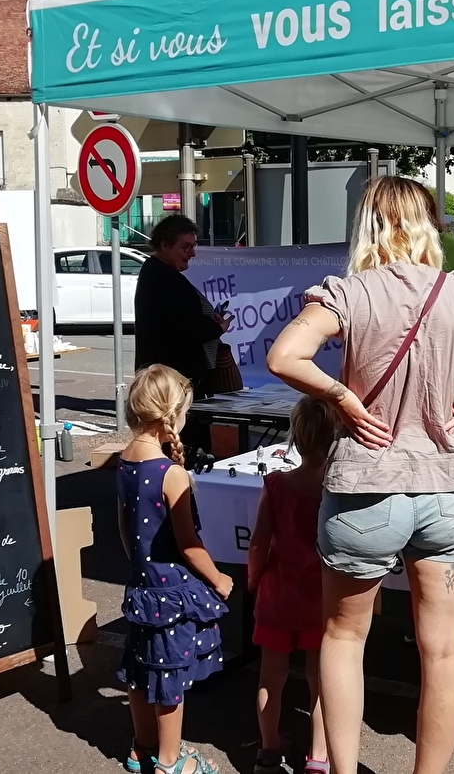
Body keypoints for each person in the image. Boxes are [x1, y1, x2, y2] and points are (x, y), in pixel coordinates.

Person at [266, 176, 454, 774]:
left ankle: (343, 769)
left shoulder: (347, 294)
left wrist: (342, 400)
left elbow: (283, 357)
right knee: (442, 650)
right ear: (428, 226)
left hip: (365, 493)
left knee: (344, 640)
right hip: (447, 492)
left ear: (369, 226)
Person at [115, 365, 234, 774]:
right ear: (173, 414)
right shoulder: (171, 473)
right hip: (170, 593)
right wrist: (219, 580)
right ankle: (170, 761)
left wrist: (138, 567)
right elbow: (189, 544)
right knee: (170, 677)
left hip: (143, 587)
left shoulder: (126, 460)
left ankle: (141, 748)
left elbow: (123, 526)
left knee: (139, 669)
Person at [247, 397, 340, 774]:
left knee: (271, 676)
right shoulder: (335, 489)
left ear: (295, 440)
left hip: (277, 593)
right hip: (321, 598)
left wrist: (254, 580)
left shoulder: (276, 485)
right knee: (322, 681)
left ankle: (269, 748)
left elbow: (258, 542)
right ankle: (318, 756)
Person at [134, 215, 232, 401]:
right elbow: (186, 327)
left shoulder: (159, 273)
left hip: (170, 379)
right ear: (164, 245)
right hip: (174, 382)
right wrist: (217, 328)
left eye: (193, 247)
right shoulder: (163, 278)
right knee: (184, 429)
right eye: (186, 247)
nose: (192, 253)